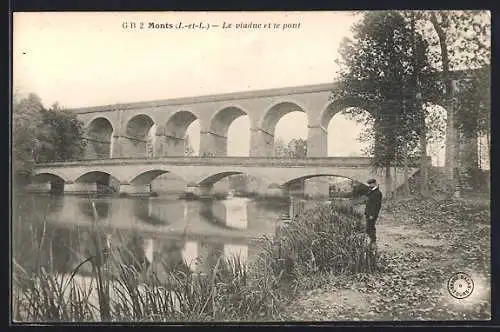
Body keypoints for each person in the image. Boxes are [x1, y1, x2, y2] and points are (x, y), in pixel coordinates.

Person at [365, 178, 382, 247]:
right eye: (369, 184)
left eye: (371, 184)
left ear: (374, 184)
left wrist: (372, 214)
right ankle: (371, 240)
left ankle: (373, 241)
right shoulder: (371, 191)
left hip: (372, 214)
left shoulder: (377, 193)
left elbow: (377, 205)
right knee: (368, 227)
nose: (369, 185)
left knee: (371, 227)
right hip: (368, 213)